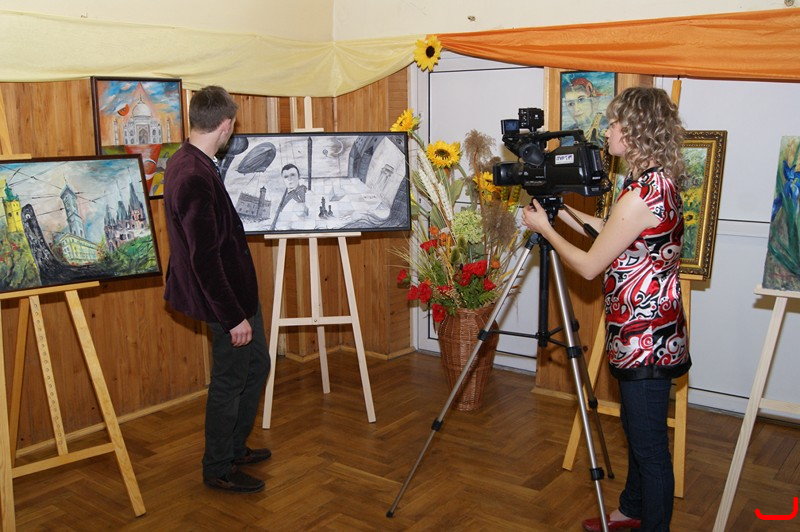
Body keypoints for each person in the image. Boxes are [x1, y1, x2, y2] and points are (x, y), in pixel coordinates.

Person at [522, 87, 691, 531]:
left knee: (650, 449)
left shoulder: (641, 195)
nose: (609, 131)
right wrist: (561, 213)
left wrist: (544, 230)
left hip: (646, 339)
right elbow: (611, 230)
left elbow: (590, 265)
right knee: (638, 433)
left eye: (616, 123)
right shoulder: (654, 183)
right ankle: (632, 510)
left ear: (636, 131)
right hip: (650, 330)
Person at [163, 85, 271, 493]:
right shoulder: (193, 174)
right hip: (226, 304)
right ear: (226, 125)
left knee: (257, 366)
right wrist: (232, 318)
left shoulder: (189, 159)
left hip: (238, 297)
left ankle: (235, 447)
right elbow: (204, 260)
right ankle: (219, 467)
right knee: (229, 382)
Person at [562, 77, 609, 147]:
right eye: (571, 104)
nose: (576, 109)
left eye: (581, 100)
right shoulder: (567, 135)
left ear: (593, 100)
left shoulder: (607, 127)